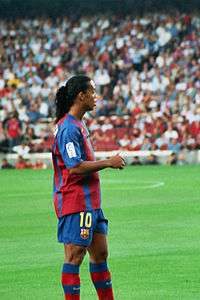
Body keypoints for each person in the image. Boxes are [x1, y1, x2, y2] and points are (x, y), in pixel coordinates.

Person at [52, 75, 125, 300]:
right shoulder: (68, 129)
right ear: (80, 95)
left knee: (100, 254)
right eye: (92, 92)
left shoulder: (79, 124)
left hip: (91, 202)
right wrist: (107, 162)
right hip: (75, 202)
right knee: (75, 256)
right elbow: (74, 167)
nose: (96, 96)